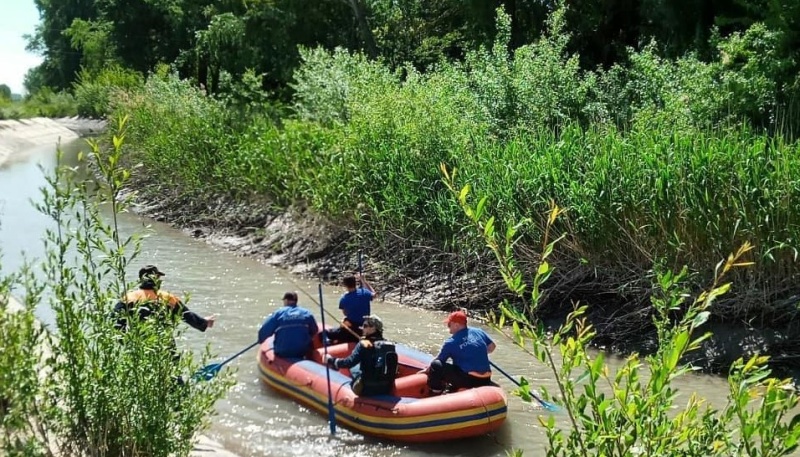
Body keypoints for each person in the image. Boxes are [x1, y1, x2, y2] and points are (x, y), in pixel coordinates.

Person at [113, 264, 216, 334]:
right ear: (156, 279)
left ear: (141, 279)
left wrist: (126, 342)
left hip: (138, 346)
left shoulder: (129, 298)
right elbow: (187, 316)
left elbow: (115, 323)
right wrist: (204, 322)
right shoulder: (167, 298)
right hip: (164, 345)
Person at [425, 310, 496, 395]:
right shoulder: (478, 332)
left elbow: (439, 361)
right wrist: (476, 353)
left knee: (435, 365)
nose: (448, 327)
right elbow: (492, 347)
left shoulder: (451, 342)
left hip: (469, 380)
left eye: (449, 324)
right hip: (486, 379)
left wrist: (426, 370)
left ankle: (436, 392)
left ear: (456, 325)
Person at [326, 315, 397, 396]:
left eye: (365, 326)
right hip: (386, 388)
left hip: (366, 389)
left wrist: (332, 360)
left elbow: (349, 362)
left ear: (373, 328)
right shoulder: (390, 345)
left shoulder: (364, 344)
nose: (362, 328)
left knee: (353, 367)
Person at [258, 291, 319, 359]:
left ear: (286, 301)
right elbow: (314, 330)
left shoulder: (278, 313)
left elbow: (265, 330)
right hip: (302, 351)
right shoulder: (306, 313)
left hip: (283, 351)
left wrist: (260, 340)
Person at [325, 272, 375, 344]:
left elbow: (345, 313)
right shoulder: (365, 293)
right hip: (364, 328)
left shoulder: (344, 299)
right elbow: (374, 294)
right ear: (355, 282)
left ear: (345, 285)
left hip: (351, 329)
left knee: (326, 332)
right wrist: (364, 281)